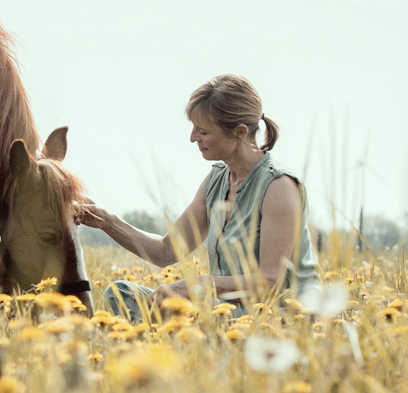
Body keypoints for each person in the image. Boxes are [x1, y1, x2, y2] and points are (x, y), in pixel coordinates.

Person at [76, 74, 319, 319]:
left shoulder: (279, 186)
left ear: (240, 132)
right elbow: (165, 251)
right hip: (224, 312)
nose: (193, 138)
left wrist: (197, 284)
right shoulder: (216, 180)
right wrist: (107, 221)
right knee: (121, 293)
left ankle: (180, 342)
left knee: (202, 318)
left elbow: (270, 282)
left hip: (279, 317)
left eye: (202, 131)